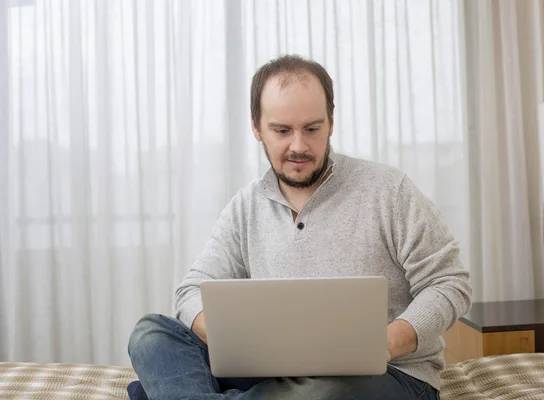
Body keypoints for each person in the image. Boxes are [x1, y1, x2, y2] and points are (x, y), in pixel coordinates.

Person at [128, 54, 471, 400]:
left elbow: (449, 283)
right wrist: (240, 342)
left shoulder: (390, 191)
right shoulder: (246, 207)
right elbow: (189, 293)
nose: (298, 146)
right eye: (281, 130)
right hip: (273, 372)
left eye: (312, 128)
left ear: (331, 122)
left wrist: (389, 339)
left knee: (323, 392)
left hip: (385, 376)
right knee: (151, 334)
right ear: (256, 127)